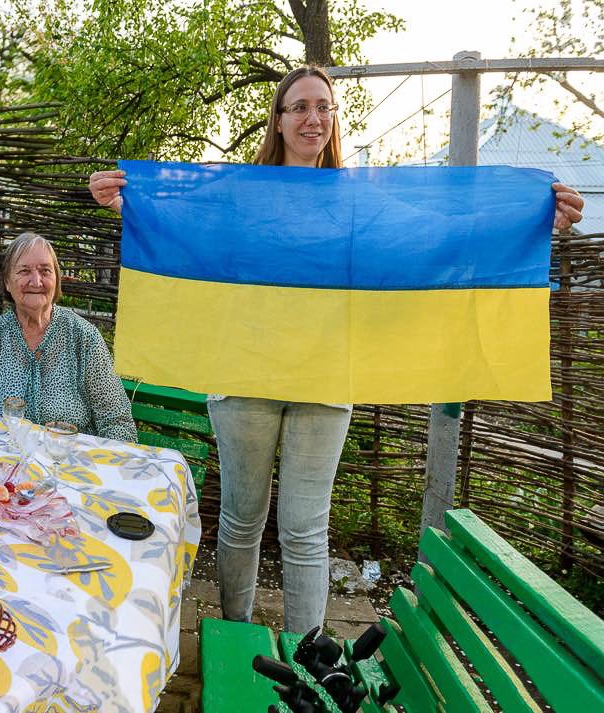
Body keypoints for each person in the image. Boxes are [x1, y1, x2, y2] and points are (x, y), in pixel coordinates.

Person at [88, 65, 586, 634]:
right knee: (240, 520)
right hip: (243, 377)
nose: (313, 118)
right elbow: (186, 227)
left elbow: (437, 236)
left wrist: (536, 218)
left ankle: (307, 662)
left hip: (326, 382)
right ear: (278, 120)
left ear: (333, 120)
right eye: (299, 106)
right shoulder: (242, 197)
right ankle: (236, 635)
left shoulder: (358, 203)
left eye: (323, 107)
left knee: (304, 530)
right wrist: (131, 207)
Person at [0, 232, 136, 441]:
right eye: (24, 271)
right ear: (7, 282)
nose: (36, 281)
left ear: (56, 280)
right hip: (8, 462)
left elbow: (117, 422)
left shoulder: (83, 337)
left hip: (70, 463)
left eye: (45, 271)